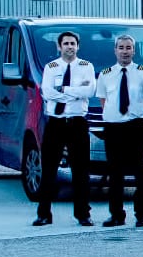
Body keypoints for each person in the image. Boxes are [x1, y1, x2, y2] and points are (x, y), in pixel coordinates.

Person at [34, 31, 96, 226]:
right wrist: (75, 93)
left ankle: (83, 214)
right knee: (49, 169)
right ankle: (44, 213)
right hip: (56, 123)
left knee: (81, 170)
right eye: (66, 43)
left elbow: (90, 90)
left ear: (78, 46)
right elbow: (47, 92)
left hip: (77, 122)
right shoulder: (51, 68)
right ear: (59, 47)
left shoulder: (87, 67)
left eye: (73, 43)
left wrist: (64, 90)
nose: (69, 47)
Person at [96, 35, 143, 227]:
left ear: (134, 51)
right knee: (115, 173)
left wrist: (134, 115)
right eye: (121, 47)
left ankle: (142, 215)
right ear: (115, 50)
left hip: (135, 126)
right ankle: (116, 215)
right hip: (114, 128)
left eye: (128, 47)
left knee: (141, 173)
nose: (124, 51)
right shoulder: (105, 74)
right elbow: (104, 101)